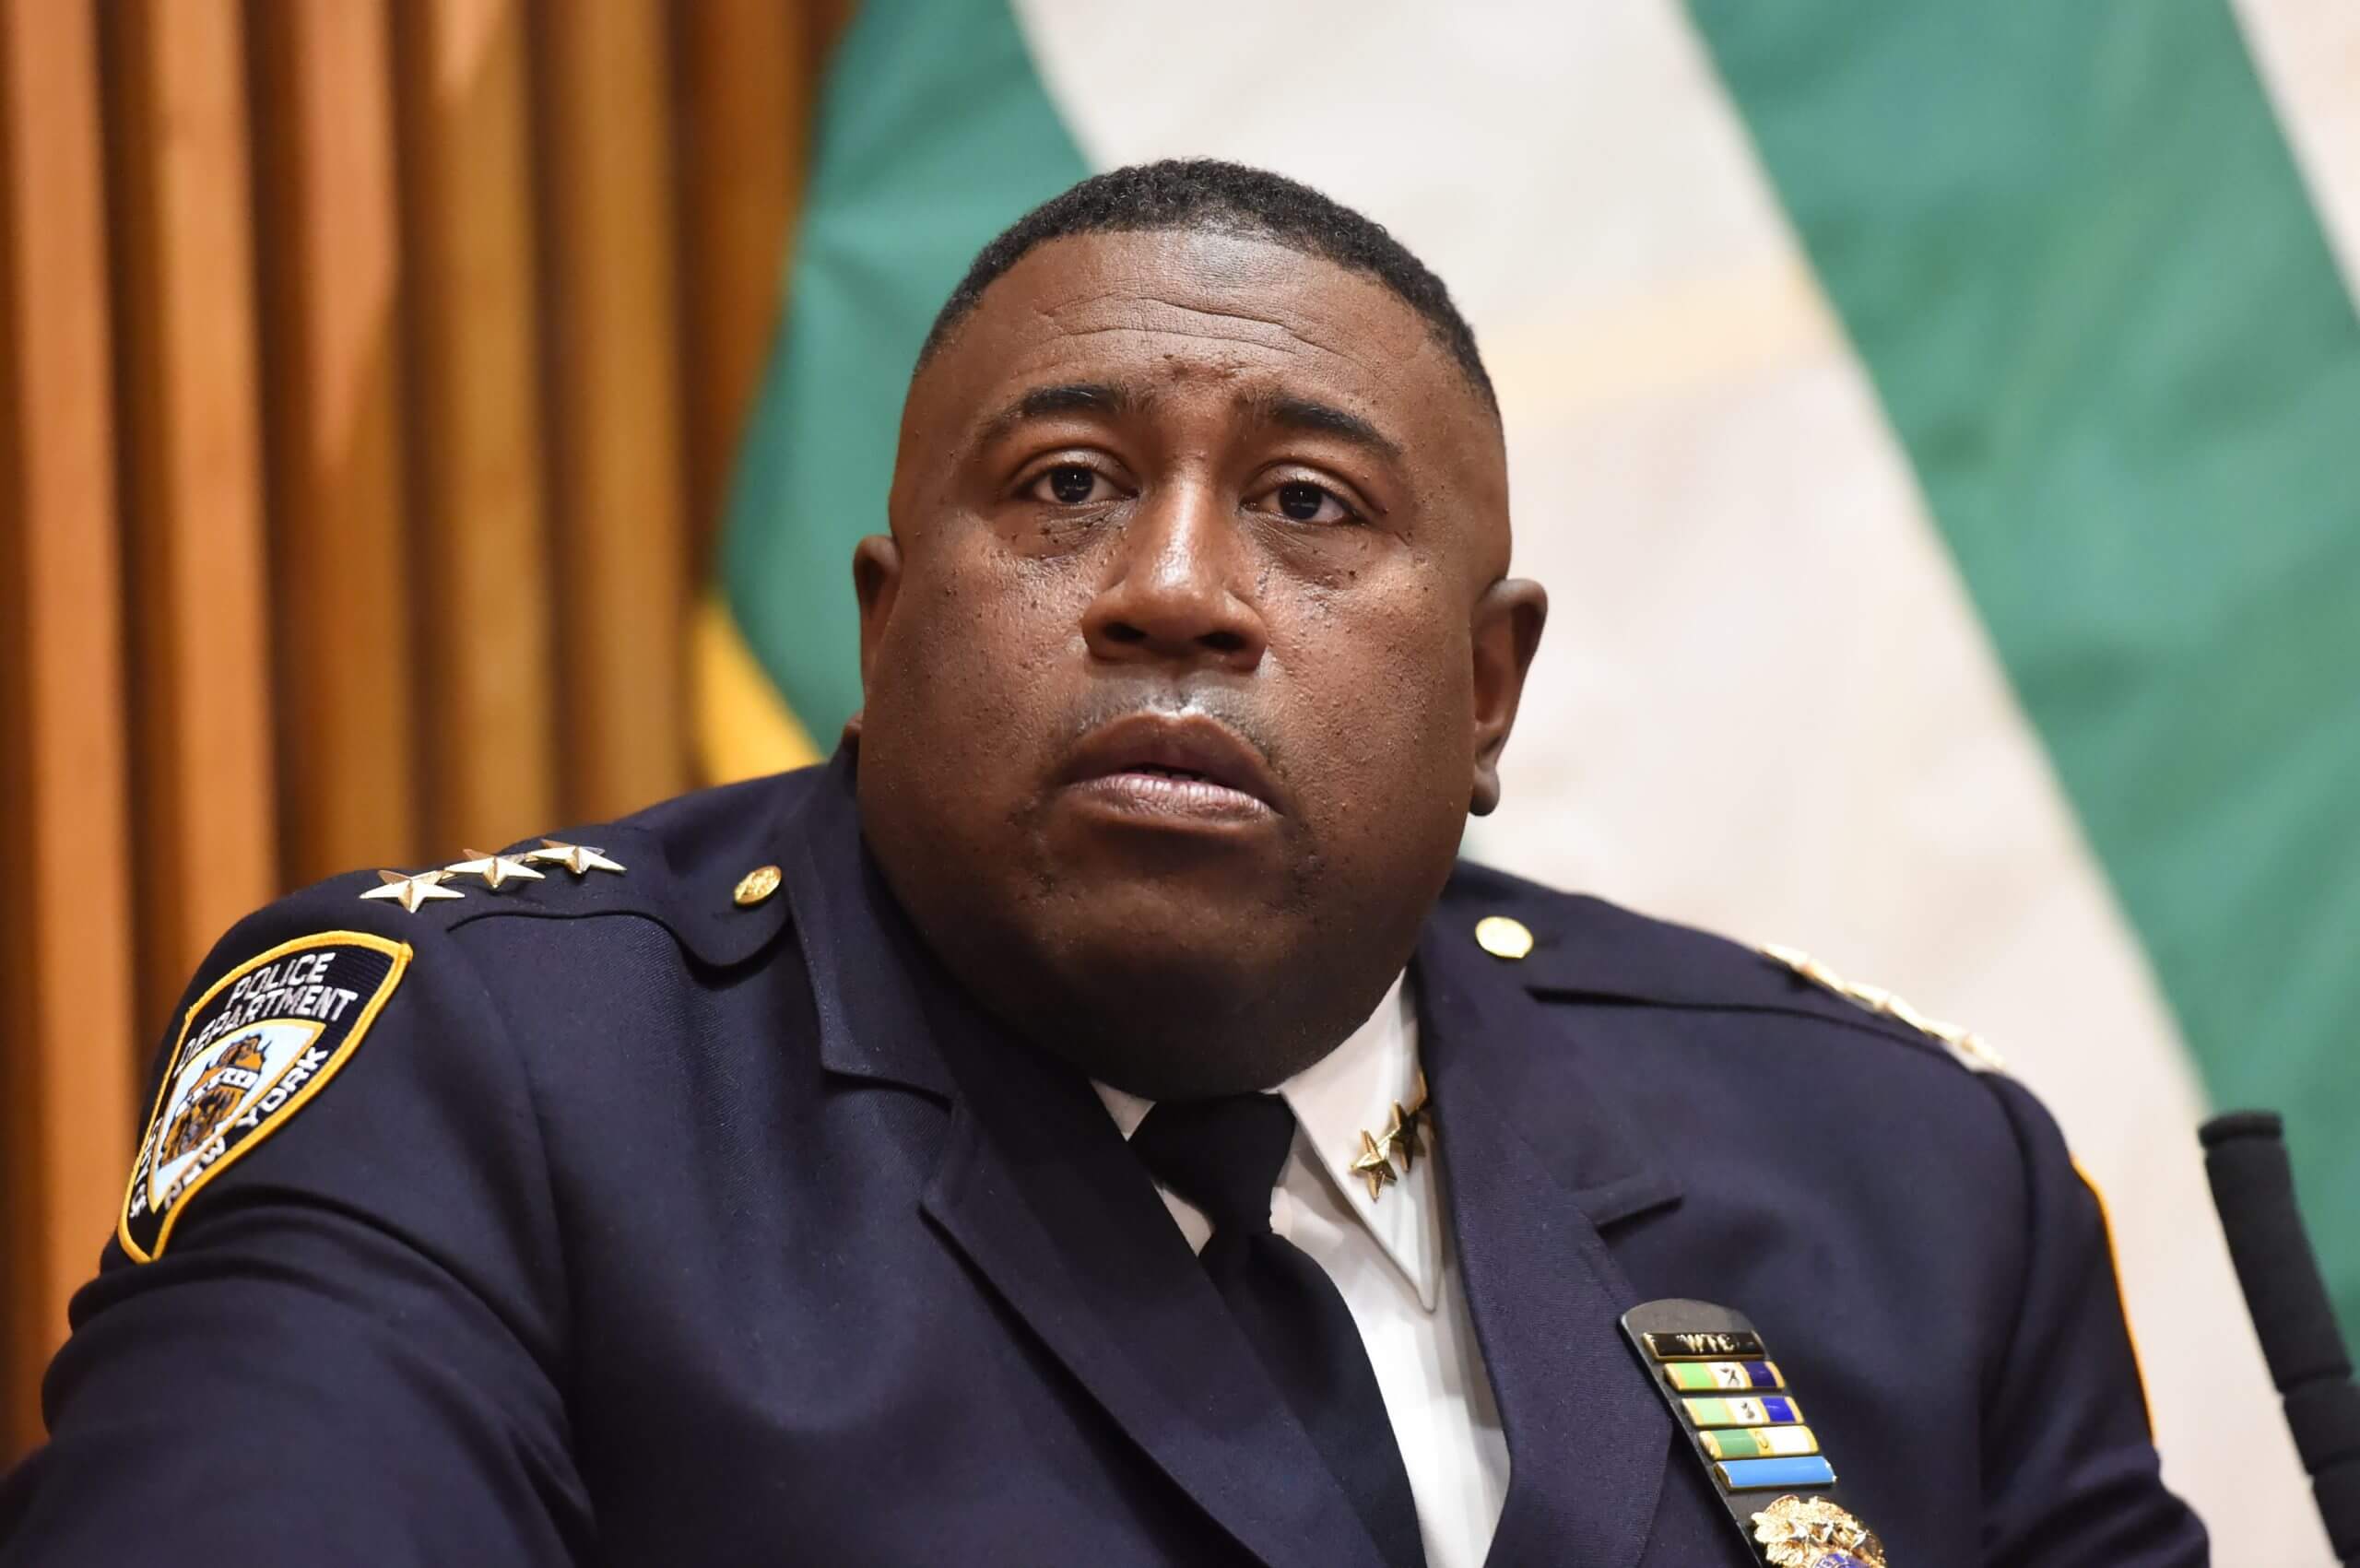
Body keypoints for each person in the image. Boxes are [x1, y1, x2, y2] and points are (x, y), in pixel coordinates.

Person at [0, 161, 2205, 1567]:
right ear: (883, 631)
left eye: (1308, 507)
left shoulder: (1899, 1177)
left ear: (1485, 691)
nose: (1170, 587)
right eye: (1062, 484)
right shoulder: (487, 1075)